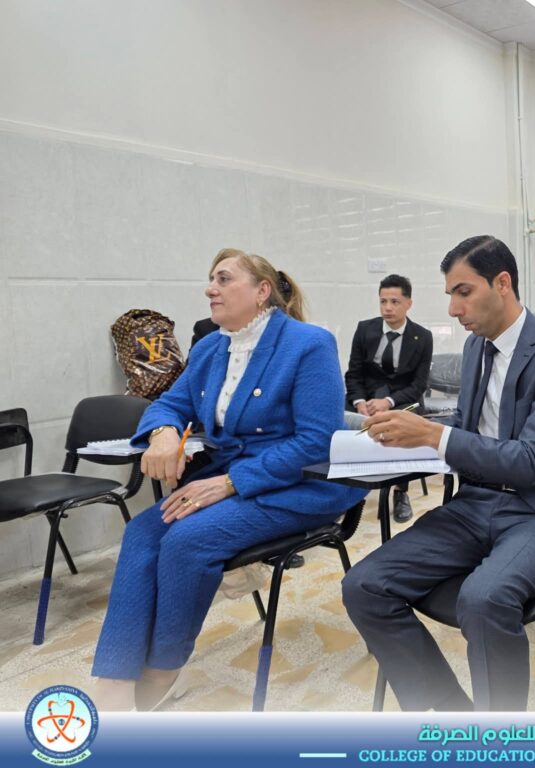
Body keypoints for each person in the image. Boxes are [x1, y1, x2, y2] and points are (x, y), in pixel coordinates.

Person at [342, 235, 535, 711]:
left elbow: (531, 461)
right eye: (451, 294)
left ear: (502, 283)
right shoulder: (475, 348)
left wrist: (433, 435)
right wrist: (407, 433)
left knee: (484, 599)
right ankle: (452, 714)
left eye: (463, 292)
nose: (453, 309)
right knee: (362, 586)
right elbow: (471, 428)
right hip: (478, 502)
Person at [91, 248, 367, 711]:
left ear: (262, 291)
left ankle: (164, 668)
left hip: (299, 483)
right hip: (233, 478)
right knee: (142, 532)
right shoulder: (210, 348)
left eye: (223, 279)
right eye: (210, 279)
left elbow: (316, 442)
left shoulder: (308, 344)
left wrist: (228, 483)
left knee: (186, 540)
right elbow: (170, 404)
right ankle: (116, 676)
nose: (209, 289)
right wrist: (163, 434)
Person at [344, 274, 433, 523]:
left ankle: (400, 491)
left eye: (395, 302)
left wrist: (388, 403)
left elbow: (419, 385)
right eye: (383, 301)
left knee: (402, 423)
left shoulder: (422, 337)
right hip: (367, 397)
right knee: (337, 417)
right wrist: (360, 402)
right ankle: (348, 490)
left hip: (402, 399)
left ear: (408, 304)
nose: (388, 308)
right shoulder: (365, 329)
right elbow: (353, 374)